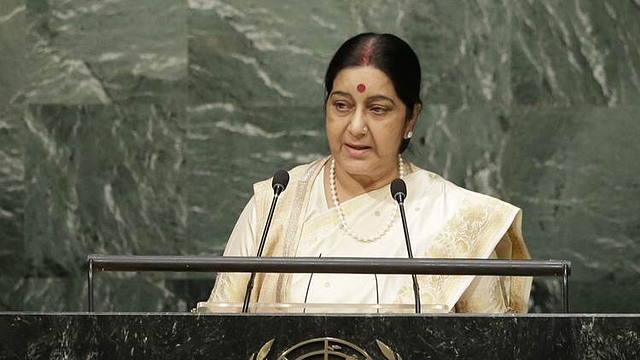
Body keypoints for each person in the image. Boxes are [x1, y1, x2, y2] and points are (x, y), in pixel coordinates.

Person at [203, 32, 532, 313]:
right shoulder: (274, 205)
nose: (356, 127)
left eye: (378, 109)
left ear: (410, 119)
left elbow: (492, 345)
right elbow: (219, 334)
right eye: (342, 105)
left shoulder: (458, 218)